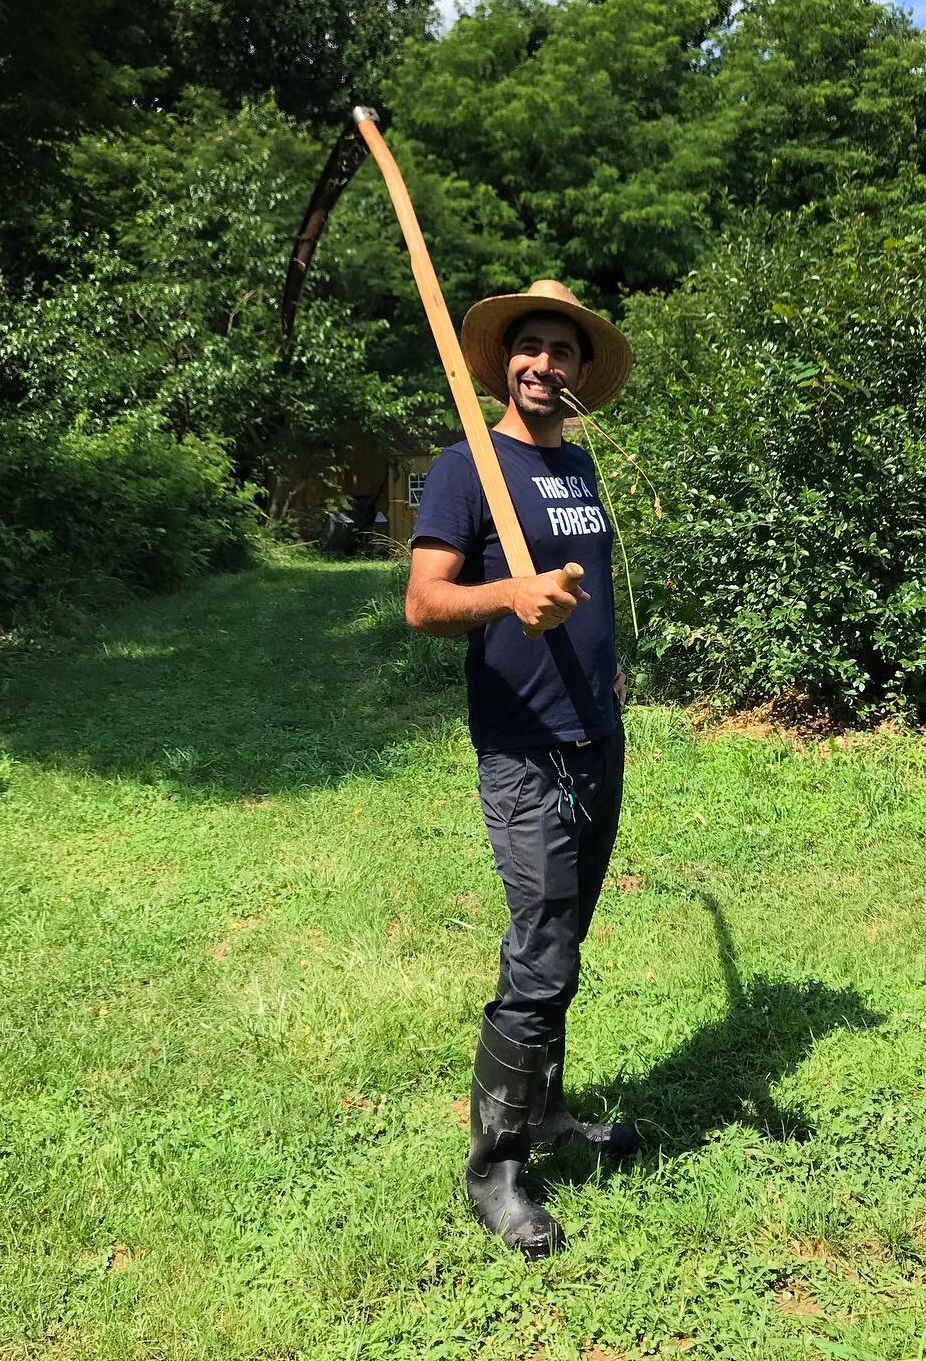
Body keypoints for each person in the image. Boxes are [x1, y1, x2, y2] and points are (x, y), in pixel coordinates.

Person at [405, 279, 640, 1258]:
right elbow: (423, 602)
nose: (544, 363)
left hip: (597, 737)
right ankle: (495, 1167)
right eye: (530, 348)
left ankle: (544, 1116)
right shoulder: (466, 468)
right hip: (522, 745)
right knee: (539, 951)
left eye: (563, 351)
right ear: (505, 362)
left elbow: (591, 597)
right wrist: (510, 594)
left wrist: (607, 667)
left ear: (584, 373)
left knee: (564, 946)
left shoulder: (579, 469)